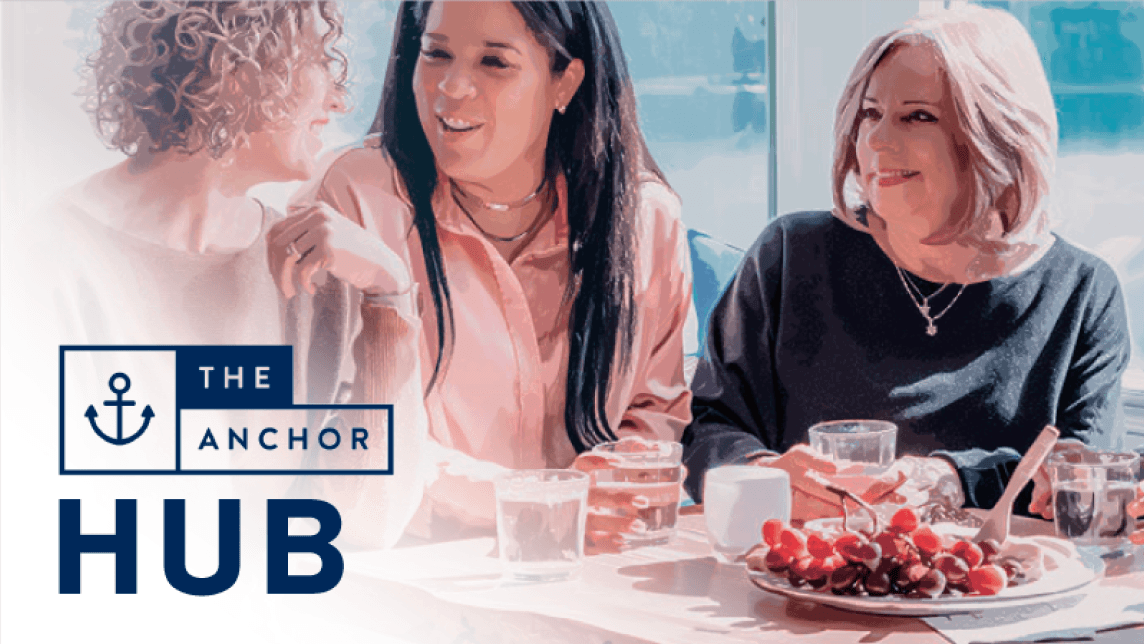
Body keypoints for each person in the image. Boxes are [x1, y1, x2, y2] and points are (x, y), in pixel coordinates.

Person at [681, 5, 1133, 522]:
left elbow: (1085, 473)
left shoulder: (1080, 291)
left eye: (918, 116)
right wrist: (763, 473)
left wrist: (957, 480)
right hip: (802, 584)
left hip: (1000, 592)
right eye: (870, 113)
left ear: (997, 138)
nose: (875, 141)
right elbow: (706, 428)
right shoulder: (789, 255)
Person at [270, 1, 693, 548]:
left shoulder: (645, 221)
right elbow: (337, 427)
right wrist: (535, 502)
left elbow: (655, 410)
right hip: (412, 575)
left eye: (494, 62)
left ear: (565, 83)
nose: (453, 88)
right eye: (436, 54)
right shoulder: (356, 200)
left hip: (590, 565)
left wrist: (618, 481)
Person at [40, 0, 422, 548]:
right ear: (236, 70)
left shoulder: (316, 272)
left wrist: (390, 292)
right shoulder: (45, 262)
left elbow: (363, 527)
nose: (338, 100)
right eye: (316, 61)